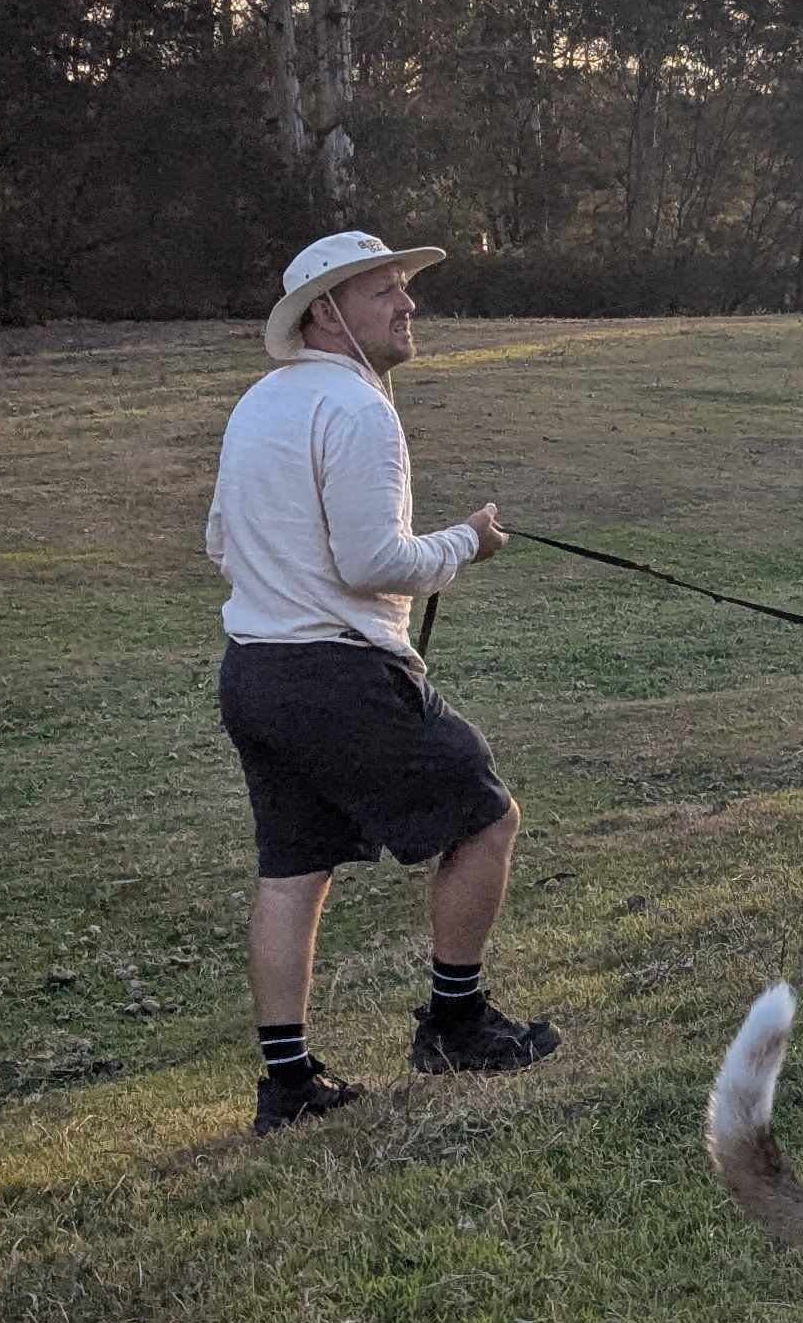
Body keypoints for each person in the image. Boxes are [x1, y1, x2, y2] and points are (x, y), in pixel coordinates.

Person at [206, 228, 560, 1134]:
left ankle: (287, 1088)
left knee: (293, 871)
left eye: (405, 287)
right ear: (327, 312)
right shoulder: (360, 409)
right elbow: (376, 561)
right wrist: (467, 542)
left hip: (255, 674)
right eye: (384, 291)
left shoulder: (258, 405)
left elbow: (219, 544)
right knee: (487, 819)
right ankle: (455, 1022)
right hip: (337, 671)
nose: (408, 304)